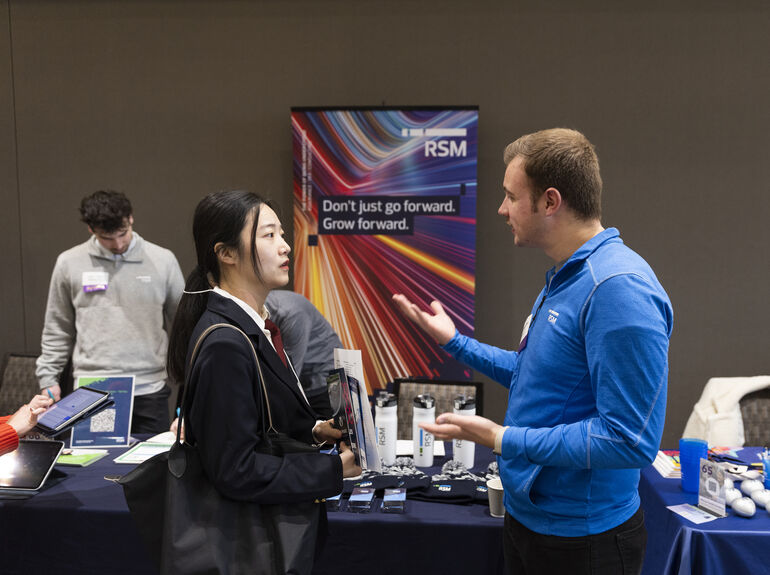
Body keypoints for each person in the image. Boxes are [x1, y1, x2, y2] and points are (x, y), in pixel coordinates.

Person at [393, 128, 673, 575]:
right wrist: (454, 341)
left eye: (510, 196)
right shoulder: (567, 276)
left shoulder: (616, 290)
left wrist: (500, 438)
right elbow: (535, 376)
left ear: (549, 201)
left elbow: (629, 440)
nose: (502, 209)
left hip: (583, 542)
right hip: (532, 522)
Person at [166, 190, 360, 572]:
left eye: (282, 235)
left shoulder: (253, 328)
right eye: (268, 236)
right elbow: (236, 470)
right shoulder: (226, 342)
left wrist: (316, 430)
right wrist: (333, 470)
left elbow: (261, 423)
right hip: (246, 546)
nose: (285, 247)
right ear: (227, 253)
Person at [36, 190, 185, 434]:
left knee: (153, 466)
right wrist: (48, 378)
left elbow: (183, 326)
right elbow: (57, 328)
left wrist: (191, 379)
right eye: (107, 238)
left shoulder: (163, 260)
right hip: (93, 389)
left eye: (122, 233)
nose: (118, 244)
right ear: (91, 230)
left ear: (131, 219)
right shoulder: (69, 263)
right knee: (96, 466)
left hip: (148, 387)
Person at [265, 290, 342, 418]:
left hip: (324, 381)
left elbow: (290, 372)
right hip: (308, 378)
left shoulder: (291, 313)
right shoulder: (268, 305)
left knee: (327, 434)